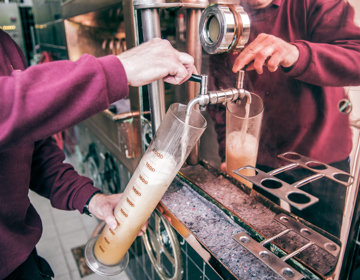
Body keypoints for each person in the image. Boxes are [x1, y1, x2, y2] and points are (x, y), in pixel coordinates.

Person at [0, 28, 196, 280]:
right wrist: (119, 69)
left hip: (22, 257)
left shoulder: (5, 45)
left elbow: (32, 152)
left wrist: (91, 198)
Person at [208, 0, 360, 238]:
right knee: (258, 241)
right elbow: (222, 101)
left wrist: (296, 53)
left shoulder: (316, 4)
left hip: (320, 158)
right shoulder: (227, 19)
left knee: (321, 252)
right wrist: (227, 149)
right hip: (257, 160)